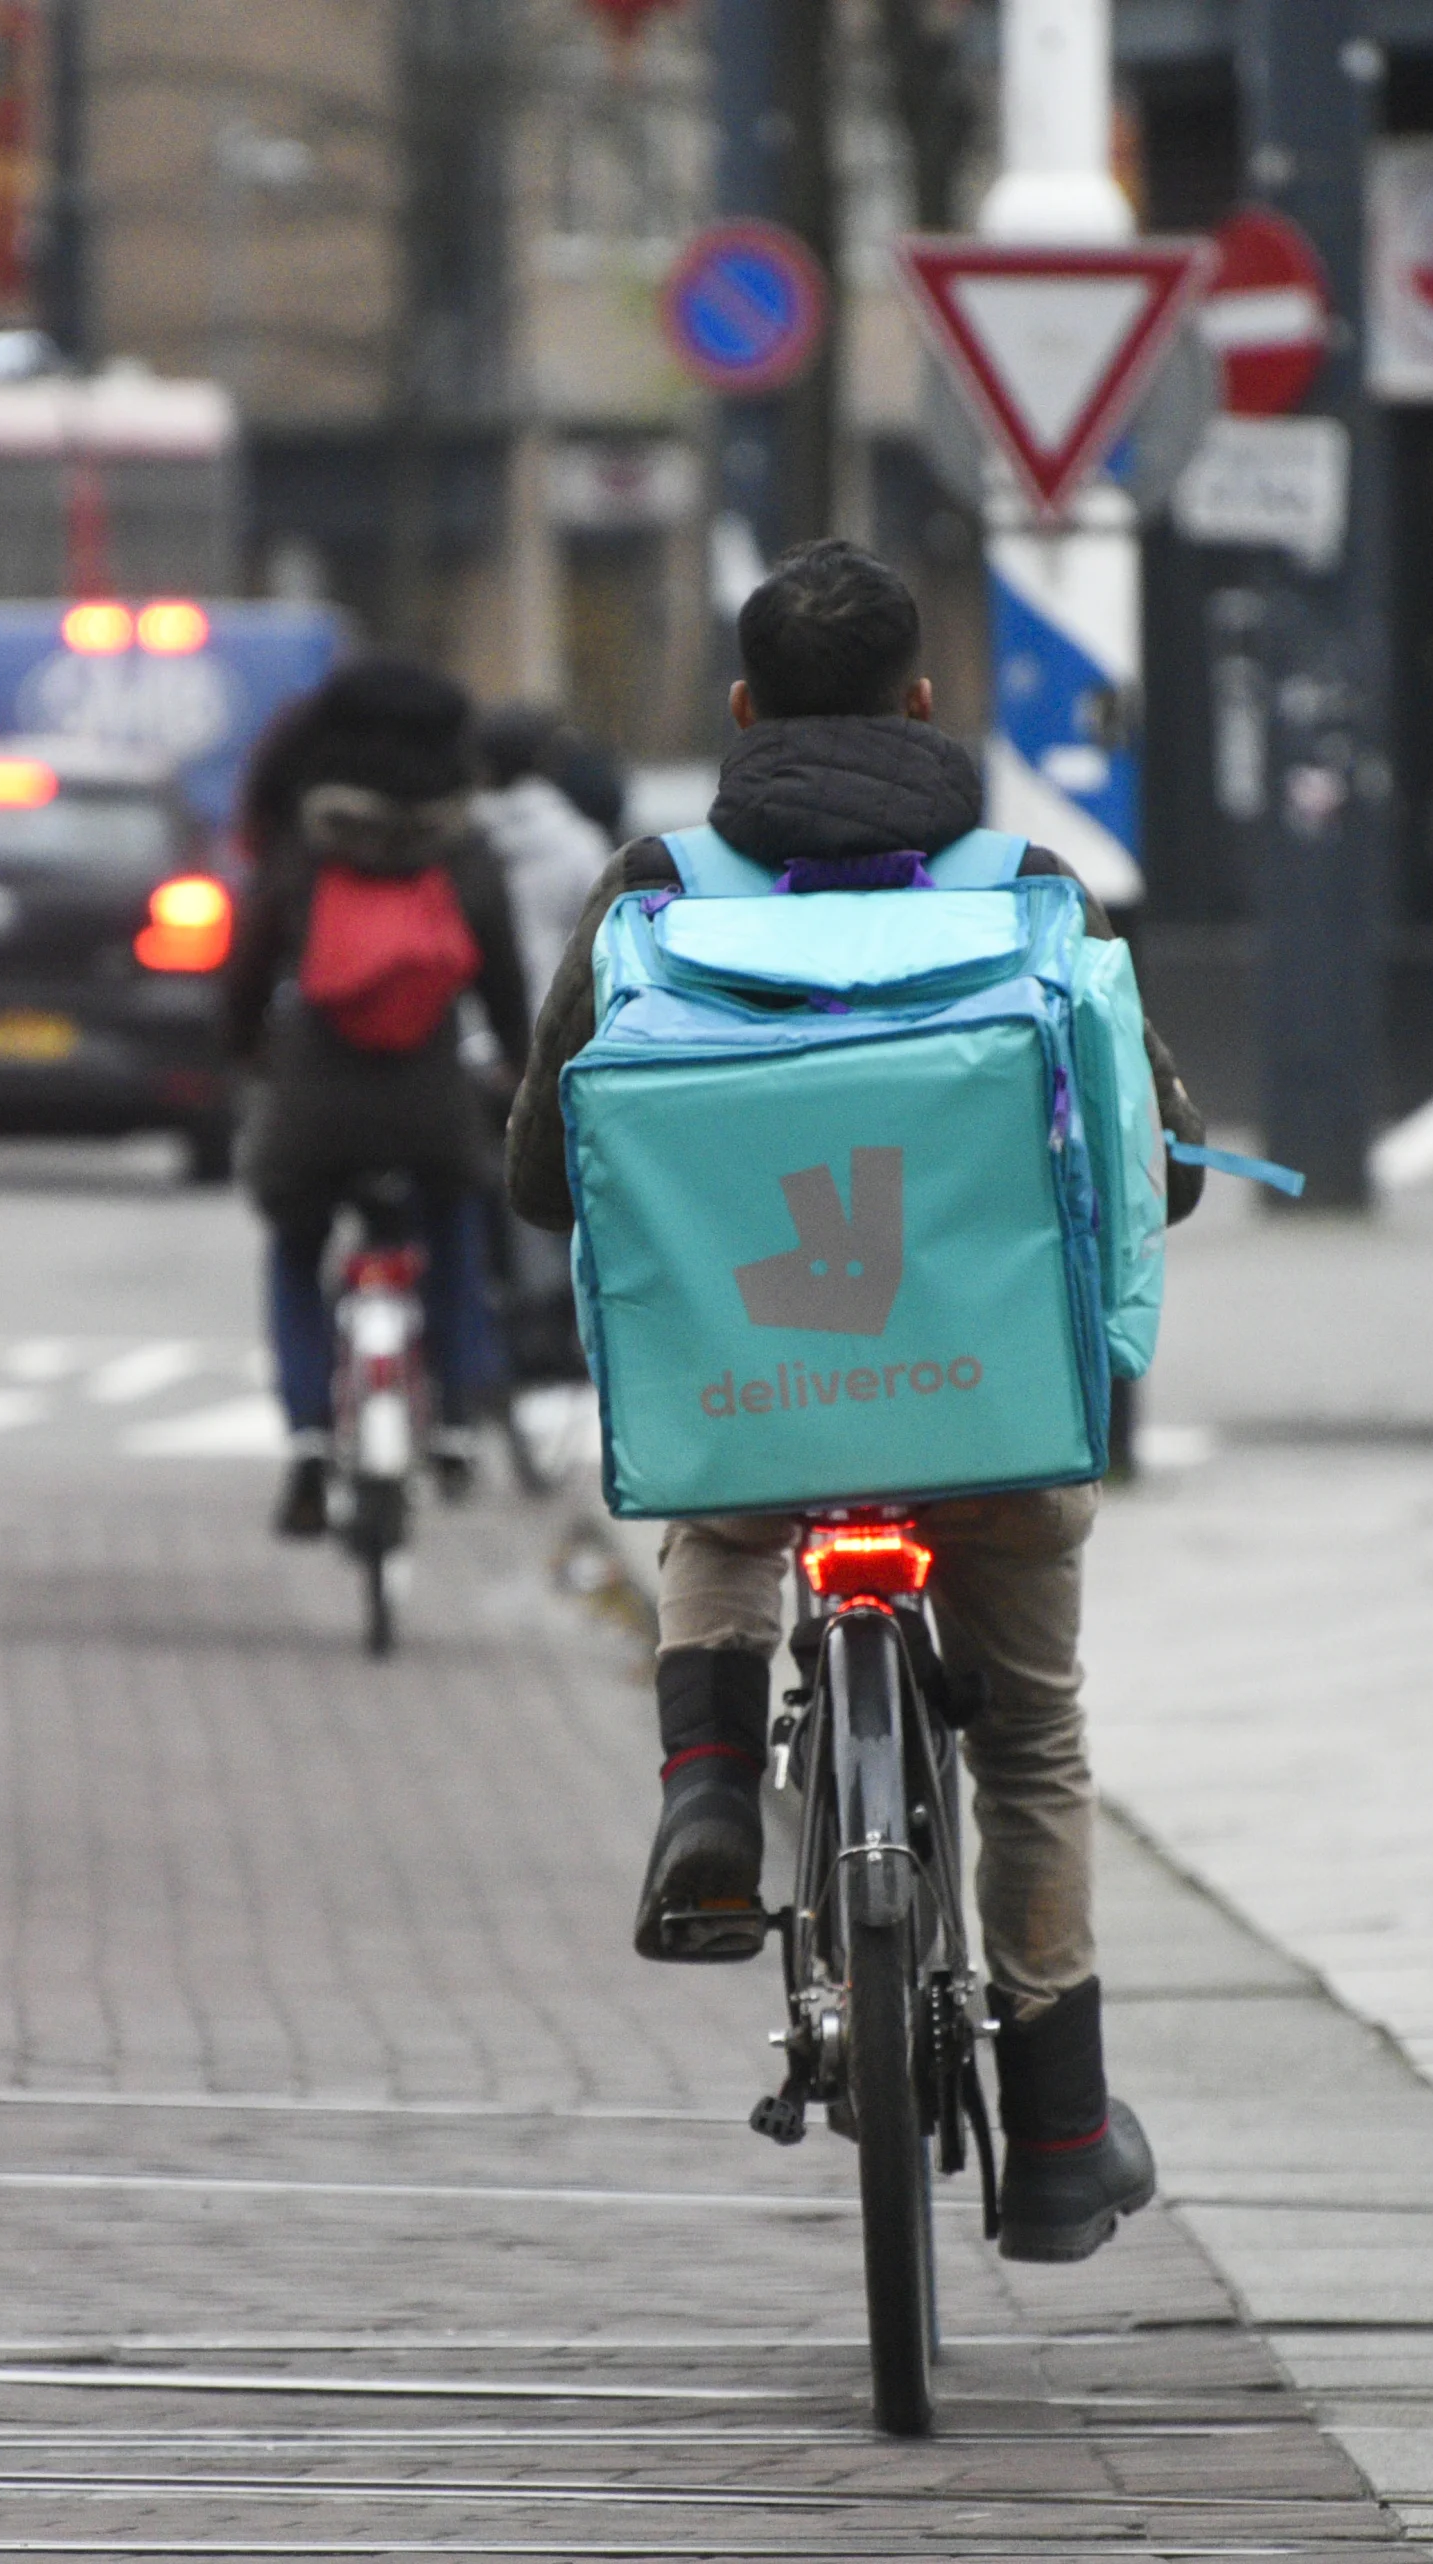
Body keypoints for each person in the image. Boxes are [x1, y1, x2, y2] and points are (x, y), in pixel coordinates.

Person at [503, 539, 1209, 2265]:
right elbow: (1164, 1157)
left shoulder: (656, 890)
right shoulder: (1028, 885)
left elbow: (540, 1168)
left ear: (742, 711)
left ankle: (709, 1785)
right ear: (923, 701)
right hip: (990, 1416)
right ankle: (1059, 2135)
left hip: (761, 1399)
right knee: (1030, 1738)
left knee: (721, 1483)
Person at [225, 658, 532, 1537]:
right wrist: (517, 1068)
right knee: (455, 1225)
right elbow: (504, 985)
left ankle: (307, 1438)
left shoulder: (302, 849)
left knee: (296, 1245)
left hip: (311, 1100)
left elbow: (245, 974)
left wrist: (247, 1052)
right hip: (431, 1100)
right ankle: (458, 1421)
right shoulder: (462, 854)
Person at [466, 704, 615, 1021]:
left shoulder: (459, 844)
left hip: (471, 1026)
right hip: (554, 1022)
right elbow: (607, 937)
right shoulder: (577, 841)